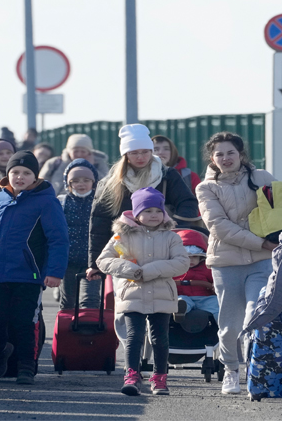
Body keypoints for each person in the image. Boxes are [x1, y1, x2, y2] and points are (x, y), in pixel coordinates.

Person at [195, 131, 282, 395]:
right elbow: (219, 227)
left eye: (231, 152)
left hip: (263, 262)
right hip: (226, 262)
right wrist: (263, 243)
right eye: (219, 154)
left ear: (241, 154)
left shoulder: (262, 177)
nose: (226, 158)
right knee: (230, 324)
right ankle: (231, 370)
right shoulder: (206, 188)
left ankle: (255, 371)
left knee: (257, 313)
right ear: (212, 158)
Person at [0, 150, 69, 385]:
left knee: (25, 322)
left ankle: (26, 367)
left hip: (29, 275)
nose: (19, 177)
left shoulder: (46, 201)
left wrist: (53, 272)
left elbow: (59, 239)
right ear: (7, 174)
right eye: (15, 172)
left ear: (35, 176)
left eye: (26, 173)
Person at [97, 187, 189, 396]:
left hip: (162, 294)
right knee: (134, 336)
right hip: (132, 293)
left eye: (158, 210)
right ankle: (131, 374)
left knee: (160, 338)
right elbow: (103, 260)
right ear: (136, 213)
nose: (154, 215)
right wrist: (129, 269)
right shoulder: (122, 237)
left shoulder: (171, 237)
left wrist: (150, 270)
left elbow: (182, 263)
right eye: (147, 211)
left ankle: (159, 377)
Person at [87, 123, 199, 282]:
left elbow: (188, 203)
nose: (140, 157)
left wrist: (175, 229)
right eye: (134, 153)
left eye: (145, 152)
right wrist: (95, 263)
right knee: (127, 300)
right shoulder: (111, 183)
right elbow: (99, 223)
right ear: (125, 154)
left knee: (161, 297)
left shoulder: (167, 175)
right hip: (126, 253)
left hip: (161, 250)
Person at [58, 158, 101, 310]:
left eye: (86, 180)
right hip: (68, 261)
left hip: (92, 262)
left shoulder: (100, 202)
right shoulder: (61, 203)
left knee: (90, 300)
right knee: (68, 300)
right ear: (68, 183)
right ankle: (66, 331)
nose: (81, 184)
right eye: (75, 180)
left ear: (94, 182)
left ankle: (90, 331)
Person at [40, 134, 110, 196]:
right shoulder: (55, 163)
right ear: (69, 151)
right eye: (75, 151)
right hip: (57, 202)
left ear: (89, 152)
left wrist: (91, 167)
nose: (79, 154)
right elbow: (41, 183)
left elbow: (105, 184)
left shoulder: (98, 164)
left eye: (83, 151)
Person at [172, 229, 219, 322]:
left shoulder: (207, 268)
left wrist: (215, 285)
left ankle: (225, 328)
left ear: (201, 257)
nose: (191, 260)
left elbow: (215, 280)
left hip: (204, 297)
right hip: (183, 296)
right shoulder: (173, 269)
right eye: (187, 257)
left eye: (195, 257)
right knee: (180, 301)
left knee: (216, 304)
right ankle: (179, 311)